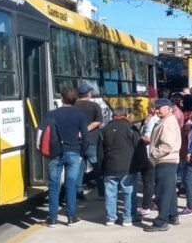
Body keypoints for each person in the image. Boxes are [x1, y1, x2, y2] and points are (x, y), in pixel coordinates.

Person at [39, 87, 89, 227]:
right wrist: (81, 153)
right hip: (74, 154)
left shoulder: (51, 114)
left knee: (54, 186)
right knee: (71, 185)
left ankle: (53, 218)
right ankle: (71, 217)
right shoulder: (80, 115)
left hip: (54, 154)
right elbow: (86, 138)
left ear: (61, 99)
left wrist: (42, 151)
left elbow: (41, 132)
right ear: (76, 100)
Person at [97, 107, 144, 226]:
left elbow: (100, 153)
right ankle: (128, 218)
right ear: (126, 115)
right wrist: (140, 164)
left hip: (109, 167)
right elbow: (139, 147)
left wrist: (101, 167)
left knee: (110, 193)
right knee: (128, 193)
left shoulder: (104, 130)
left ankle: (111, 218)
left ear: (113, 115)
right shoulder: (131, 128)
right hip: (128, 167)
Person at [144, 99, 182, 233]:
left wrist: (154, 154)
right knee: (169, 191)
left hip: (165, 160)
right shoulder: (167, 120)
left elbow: (167, 145)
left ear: (169, 109)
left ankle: (161, 221)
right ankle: (172, 216)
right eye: (156, 107)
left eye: (160, 108)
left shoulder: (168, 122)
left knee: (162, 193)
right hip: (168, 160)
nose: (157, 110)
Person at [74, 84, 104, 199]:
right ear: (88, 94)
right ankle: (101, 192)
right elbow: (97, 121)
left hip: (77, 141)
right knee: (97, 167)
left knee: (79, 168)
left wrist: (79, 132)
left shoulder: (73, 106)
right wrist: (85, 130)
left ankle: (79, 193)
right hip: (92, 140)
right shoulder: (94, 105)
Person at [138, 100, 161, 217]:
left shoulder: (152, 120)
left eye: (149, 107)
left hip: (148, 154)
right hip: (159, 154)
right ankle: (155, 201)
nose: (147, 109)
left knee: (148, 181)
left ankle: (146, 205)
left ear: (154, 108)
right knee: (156, 180)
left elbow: (148, 138)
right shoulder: (164, 119)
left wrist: (138, 136)